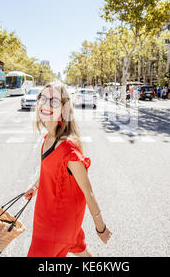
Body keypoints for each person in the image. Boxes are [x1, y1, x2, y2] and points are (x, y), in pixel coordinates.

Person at [25, 81, 112, 257]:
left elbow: (88, 192)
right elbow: (50, 172)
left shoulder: (68, 150)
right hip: (51, 215)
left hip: (54, 226)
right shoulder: (48, 138)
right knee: (80, 250)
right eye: (43, 98)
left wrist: (100, 228)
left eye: (54, 101)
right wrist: (35, 187)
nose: (46, 104)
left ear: (64, 108)